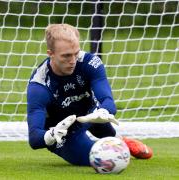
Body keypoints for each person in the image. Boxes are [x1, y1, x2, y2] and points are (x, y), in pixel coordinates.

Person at [27, 24, 152, 166]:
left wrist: (104, 111)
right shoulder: (39, 86)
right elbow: (34, 138)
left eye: (76, 53)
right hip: (62, 132)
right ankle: (116, 145)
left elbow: (107, 100)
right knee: (102, 158)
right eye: (66, 56)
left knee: (103, 123)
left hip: (89, 114)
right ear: (51, 54)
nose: (73, 61)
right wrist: (52, 134)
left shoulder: (90, 62)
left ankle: (120, 140)